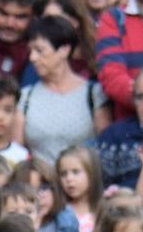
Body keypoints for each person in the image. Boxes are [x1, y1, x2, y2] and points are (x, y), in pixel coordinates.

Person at [19, 15, 107, 163]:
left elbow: (104, 148)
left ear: (64, 50)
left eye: (40, 50)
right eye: (31, 51)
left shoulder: (93, 94)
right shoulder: (25, 97)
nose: (32, 57)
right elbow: (17, 153)